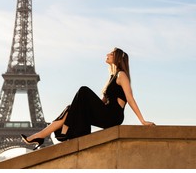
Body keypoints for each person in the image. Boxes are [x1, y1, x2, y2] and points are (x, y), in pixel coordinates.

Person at [21, 47, 155, 150]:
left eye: (111, 53)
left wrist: (142, 121)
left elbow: (130, 98)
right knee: (71, 108)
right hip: (105, 112)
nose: (107, 54)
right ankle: (39, 136)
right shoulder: (112, 77)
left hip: (112, 116)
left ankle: (66, 129)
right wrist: (81, 108)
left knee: (84, 90)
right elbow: (102, 102)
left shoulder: (121, 75)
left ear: (118, 58)